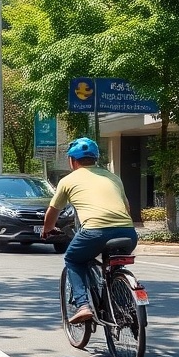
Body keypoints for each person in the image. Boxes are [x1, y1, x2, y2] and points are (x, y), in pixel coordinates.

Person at [42, 137, 137, 325]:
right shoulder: (113, 177)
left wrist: (47, 230)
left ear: (72, 160)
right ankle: (121, 303)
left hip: (94, 232)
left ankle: (83, 305)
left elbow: (53, 211)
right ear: (96, 158)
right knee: (113, 266)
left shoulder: (68, 180)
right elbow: (127, 208)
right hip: (128, 233)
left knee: (73, 259)